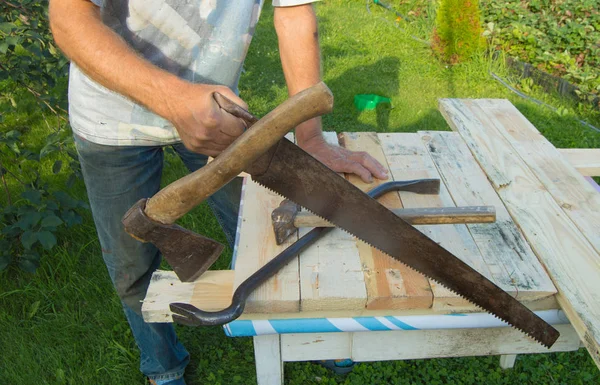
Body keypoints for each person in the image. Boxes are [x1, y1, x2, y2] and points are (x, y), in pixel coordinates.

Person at [49, 1, 388, 383]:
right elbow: (69, 17)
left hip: (217, 117)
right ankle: (162, 365)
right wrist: (174, 100)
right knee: (131, 265)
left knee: (268, 235)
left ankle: (304, 335)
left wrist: (310, 139)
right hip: (111, 118)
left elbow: (294, 14)